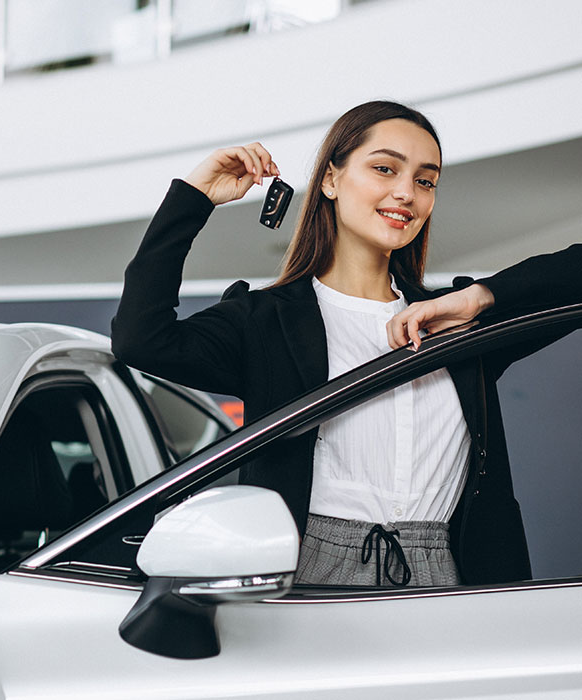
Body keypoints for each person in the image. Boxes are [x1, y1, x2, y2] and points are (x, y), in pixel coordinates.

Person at [112, 101, 581, 587]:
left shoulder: (455, 320)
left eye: (425, 181)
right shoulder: (266, 321)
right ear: (330, 180)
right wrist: (194, 198)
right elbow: (141, 340)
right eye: (384, 169)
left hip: (448, 573)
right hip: (308, 571)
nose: (406, 193)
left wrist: (481, 297)